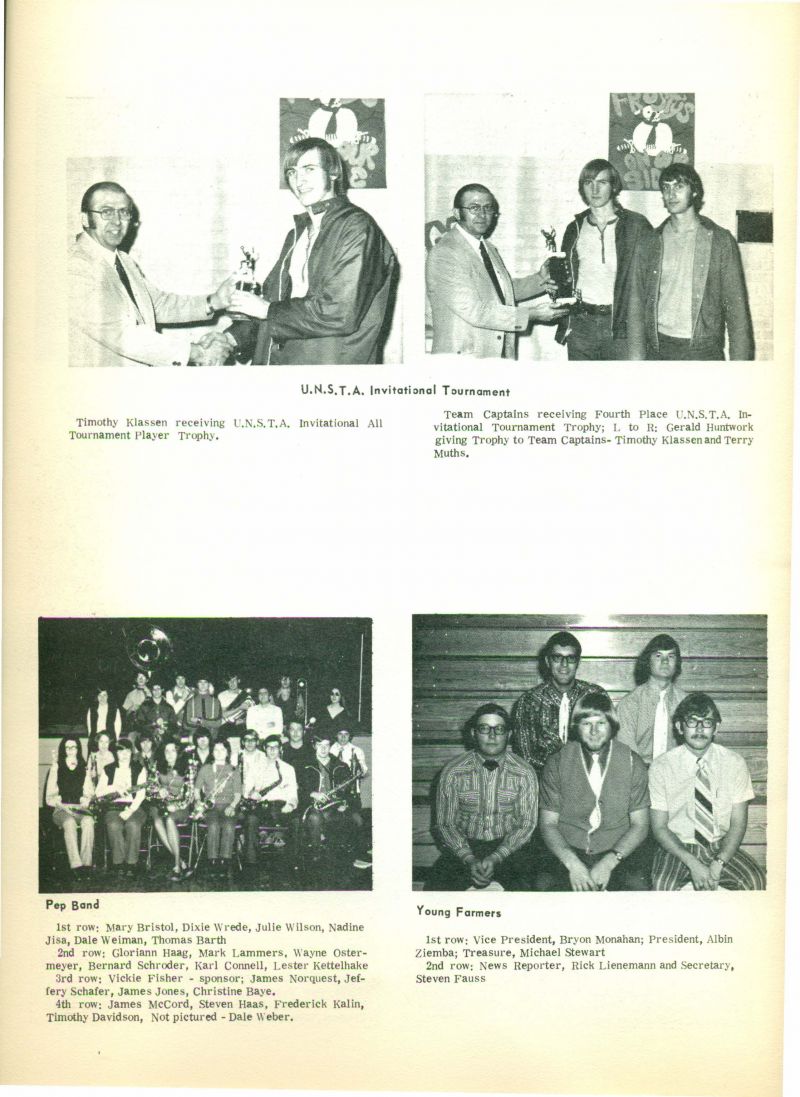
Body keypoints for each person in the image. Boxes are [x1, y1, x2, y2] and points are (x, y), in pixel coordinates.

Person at [223, 137, 397, 365]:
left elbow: (339, 311)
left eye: (309, 169)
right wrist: (229, 339)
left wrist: (266, 310)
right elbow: (273, 303)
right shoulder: (298, 232)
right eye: (292, 172)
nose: (299, 180)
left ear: (333, 173)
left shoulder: (357, 227)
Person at [69, 181, 235, 367]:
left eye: (123, 212)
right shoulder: (74, 267)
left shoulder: (123, 260)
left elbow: (156, 305)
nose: (116, 221)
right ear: (85, 219)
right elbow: (121, 333)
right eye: (106, 211)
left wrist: (214, 301)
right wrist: (197, 353)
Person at [426, 183, 567, 358]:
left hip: (493, 355)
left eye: (487, 208)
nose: (482, 214)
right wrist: (533, 315)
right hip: (463, 359)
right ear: (456, 213)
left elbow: (498, 292)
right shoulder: (446, 253)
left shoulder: (486, 247)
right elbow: (475, 311)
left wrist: (540, 279)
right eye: (474, 208)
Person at [649, 693, 765, 890]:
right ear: (679, 727)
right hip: (678, 847)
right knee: (661, 885)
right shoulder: (661, 767)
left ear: (716, 728)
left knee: (756, 882)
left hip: (720, 845)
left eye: (707, 722)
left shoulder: (734, 763)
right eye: (692, 722)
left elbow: (738, 824)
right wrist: (693, 863)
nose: (700, 729)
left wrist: (719, 862)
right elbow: (659, 827)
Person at [536, 692, 651, 891]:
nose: (594, 731)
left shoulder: (633, 762)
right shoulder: (557, 762)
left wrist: (610, 862)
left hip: (616, 849)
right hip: (569, 847)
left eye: (601, 723)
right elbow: (548, 824)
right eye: (587, 723)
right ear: (576, 727)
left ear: (612, 726)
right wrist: (572, 864)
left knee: (637, 885)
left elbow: (640, 824)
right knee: (543, 885)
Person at [643, 163, 754, 359]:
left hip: (703, 349)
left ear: (694, 192)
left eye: (679, 186)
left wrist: (741, 366)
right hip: (659, 347)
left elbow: (737, 312)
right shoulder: (652, 240)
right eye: (666, 188)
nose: (671, 193)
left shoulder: (720, 240)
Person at [427, 704, 538, 891]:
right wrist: (468, 858)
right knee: (435, 888)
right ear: (473, 733)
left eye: (499, 729)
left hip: (509, 847)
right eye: (484, 728)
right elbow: (445, 824)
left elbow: (526, 824)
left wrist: (497, 856)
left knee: (529, 892)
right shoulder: (453, 771)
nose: (492, 736)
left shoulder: (524, 772)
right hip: (464, 846)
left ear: (509, 734)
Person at [556, 158, 653, 359]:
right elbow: (564, 277)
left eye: (602, 182)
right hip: (581, 325)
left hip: (621, 326)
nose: (595, 189)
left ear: (614, 186)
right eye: (588, 182)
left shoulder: (636, 225)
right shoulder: (574, 228)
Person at [512, 631, 609, 772]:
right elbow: (525, 758)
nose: (564, 664)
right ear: (547, 661)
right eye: (557, 657)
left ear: (578, 662)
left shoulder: (595, 696)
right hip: (544, 784)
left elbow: (607, 746)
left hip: (590, 780)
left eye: (570, 658)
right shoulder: (528, 701)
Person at [617, 634, 686, 765]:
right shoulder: (629, 704)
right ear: (648, 661)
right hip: (640, 774)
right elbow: (626, 754)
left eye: (671, 656)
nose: (665, 661)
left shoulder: (686, 703)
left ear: (677, 662)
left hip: (677, 774)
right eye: (658, 656)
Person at [297, 733, 358, 869]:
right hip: (313, 804)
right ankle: (316, 853)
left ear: (330, 746)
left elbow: (349, 792)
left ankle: (344, 856)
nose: (323, 749)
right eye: (319, 745)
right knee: (315, 818)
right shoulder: (304, 765)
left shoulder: (341, 766)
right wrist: (312, 793)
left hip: (336, 804)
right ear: (314, 746)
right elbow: (298, 790)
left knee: (357, 820)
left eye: (326, 745)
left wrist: (344, 803)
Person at [240, 733, 298, 863]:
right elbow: (246, 790)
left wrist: (291, 805)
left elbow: (293, 794)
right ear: (264, 749)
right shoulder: (255, 767)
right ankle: (251, 863)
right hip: (262, 806)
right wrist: (251, 793)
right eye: (269, 747)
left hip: (282, 806)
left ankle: (293, 863)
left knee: (296, 821)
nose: (272, 750)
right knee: (251, 820)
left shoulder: (288, 769)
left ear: (280, 749)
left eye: (275, 747)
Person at [94, 738, 147, 877]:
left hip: (135, 806)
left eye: (127, 751)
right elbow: (98, 792)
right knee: (113, 825)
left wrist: (130, 810)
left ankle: (131, 863)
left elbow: (141, 795)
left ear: (131, 752)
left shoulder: (139, 768)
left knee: (133, 824)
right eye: (121, 751)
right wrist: (114, 787)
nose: (124, 754)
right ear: (116, 753)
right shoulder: (109, 769)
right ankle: (118, 863)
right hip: (113, 807)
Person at [44, 736, 95, 875]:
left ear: (78, 749)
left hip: (80, 808)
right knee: (70, 823)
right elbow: (49, 798)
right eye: (67, 747)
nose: (71, 750)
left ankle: (86, 864)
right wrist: (61, 804)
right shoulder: (56, 767)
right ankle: (76, 865)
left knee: (89, 821)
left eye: (74, 747)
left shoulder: (84, 768)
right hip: (61, 809)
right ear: (63, 749)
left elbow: (89, 792)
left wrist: (86, 799)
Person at [195, 738, 242, 879]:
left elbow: (238, 794)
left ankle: (225, 861)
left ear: (227, 752)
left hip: (229, 805)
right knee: (213, 825)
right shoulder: (205, 768)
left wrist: (233, 806)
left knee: (228, 825)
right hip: (211, 806)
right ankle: (213, 861)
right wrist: (198, 802)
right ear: (212, 751)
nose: (219, 753)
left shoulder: (233, 770)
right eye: (216, 749)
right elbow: (197, 790)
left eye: (222, 749)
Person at [148, 739, 192, 882]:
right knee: (157, 821)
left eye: (173, 750)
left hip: (180, 805)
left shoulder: (188, 767)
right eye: (167, 751)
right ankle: (181, 863)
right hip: (159, 804)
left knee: (170, 819)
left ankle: (177, 865)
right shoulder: (157, 765)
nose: (170, 754)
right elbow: (149, 788)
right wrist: (158, 790)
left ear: (178, 752)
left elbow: (190, 795)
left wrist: (177, 806)